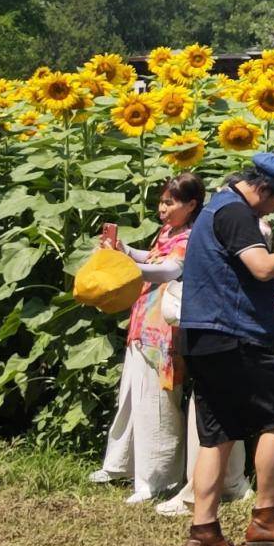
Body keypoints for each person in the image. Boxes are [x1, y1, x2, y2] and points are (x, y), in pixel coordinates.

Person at [177, 148, 274, 546]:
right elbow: (262, 267)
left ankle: (203, 532)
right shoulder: (237, 213)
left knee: (218, 433)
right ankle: (268, 519)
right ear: (264, 188)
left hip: (202, 336)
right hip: (233, 336)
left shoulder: (214, 210)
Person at [93, 174, 208, 505]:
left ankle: (155, 478)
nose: (162, 209)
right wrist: (124, 251)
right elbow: (153, 258)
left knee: (155, 403)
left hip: (164, 330)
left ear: (191, 205)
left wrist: (128, 270)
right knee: (132, 393)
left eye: (170, 203)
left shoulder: (191, 236)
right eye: (161, 201)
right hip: (144, 321)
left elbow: (171, 270)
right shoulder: (169, 231)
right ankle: (121, 463)